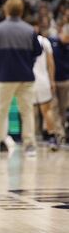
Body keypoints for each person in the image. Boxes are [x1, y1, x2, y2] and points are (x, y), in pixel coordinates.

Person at [0, 0, 42, 155]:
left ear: (6, 10)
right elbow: (38, 51)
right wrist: (28, 62)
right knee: (27, 112)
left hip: (4, 76)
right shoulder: (29, 30)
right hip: (26, 77)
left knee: (0, 112)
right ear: (22, 11)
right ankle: (29, 145)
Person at [31, 19, 56, 148]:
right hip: (42, 80)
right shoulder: (44, 41)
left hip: (29, 80)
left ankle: (30, 140)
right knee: (46, 110)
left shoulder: (23, 41)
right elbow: (51, 63)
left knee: (30, 112)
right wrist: (52, 80)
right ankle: (52, 137)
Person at [50, 19, 69, 149]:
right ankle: (58, 134)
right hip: (53, 81)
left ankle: (62, 133)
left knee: (63, 109)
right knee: (54, 108)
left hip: (65, 81)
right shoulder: (51, 42)